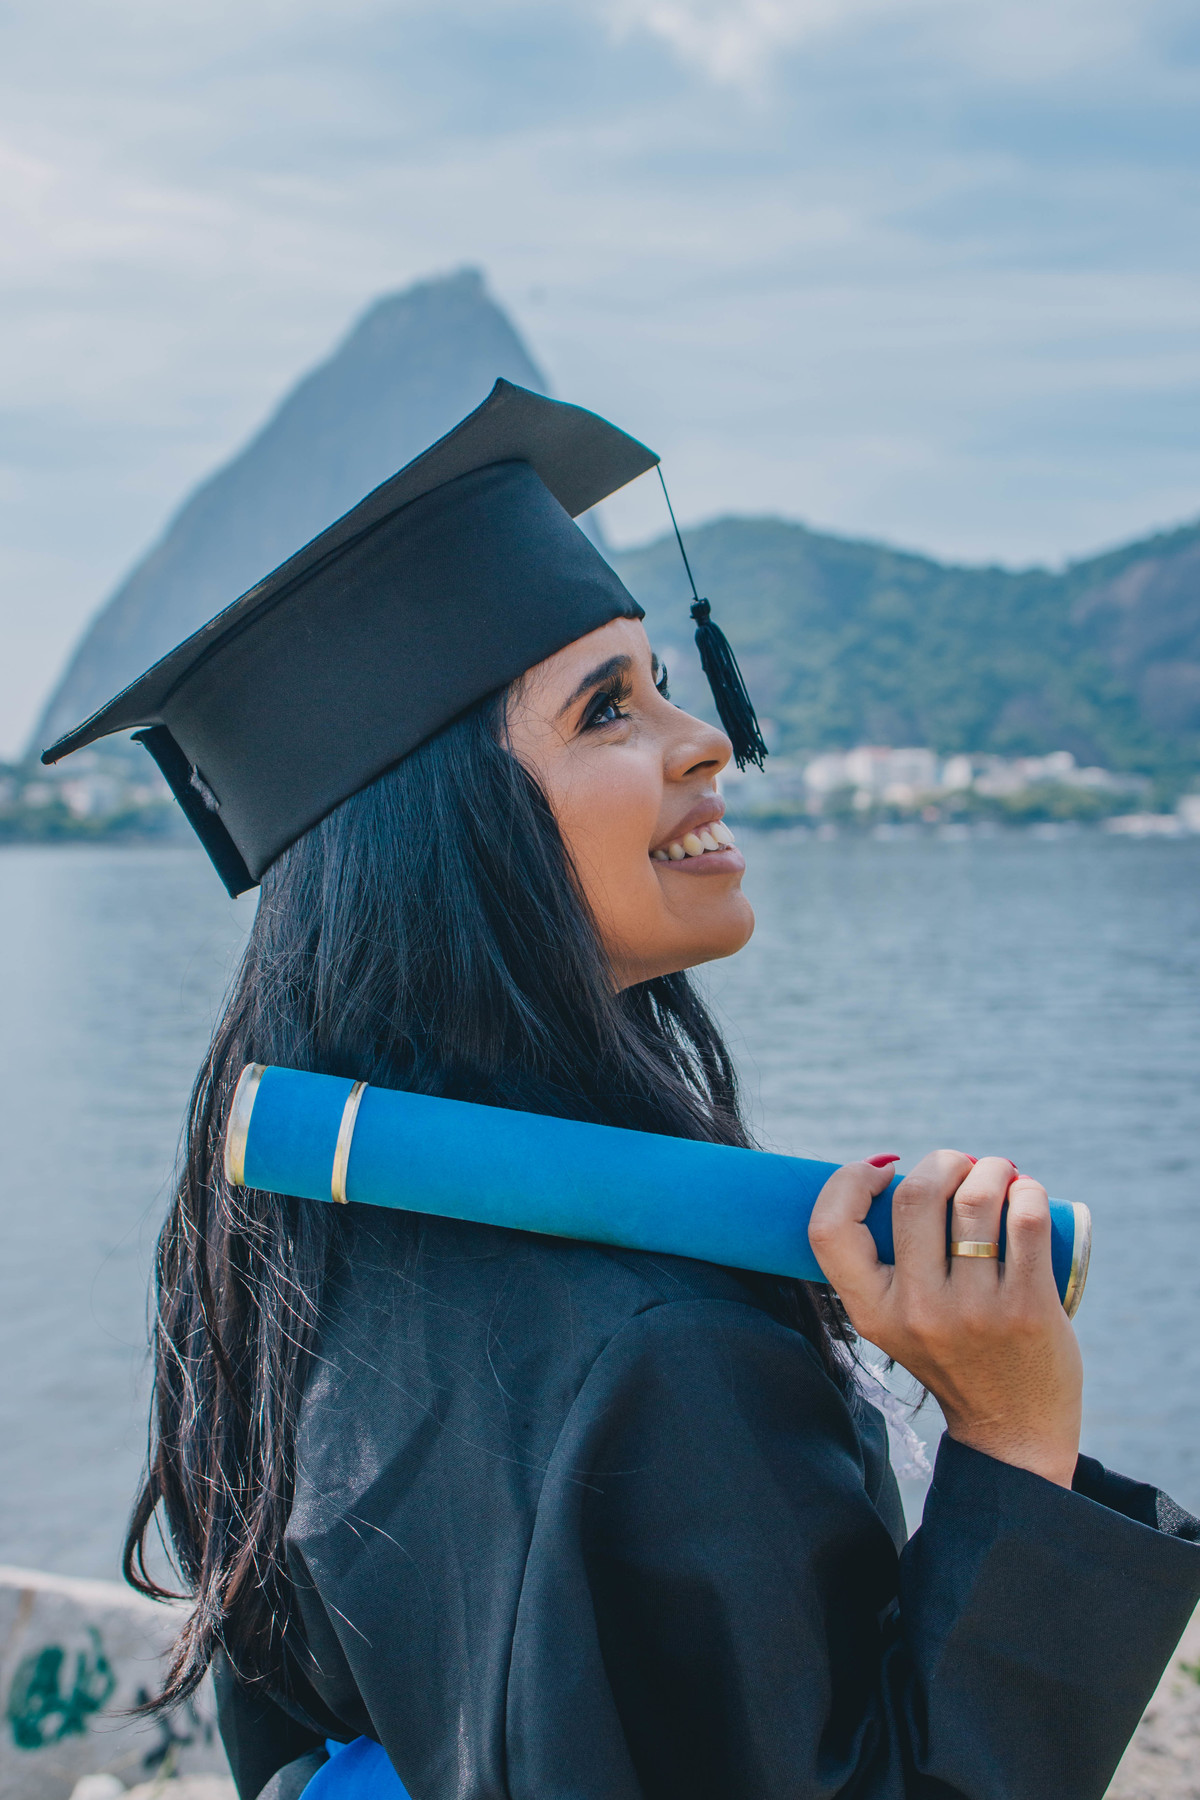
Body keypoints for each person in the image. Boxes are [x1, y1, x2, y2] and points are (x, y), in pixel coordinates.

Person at [46, 382, 1200, 1800]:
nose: (704, 735)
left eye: (663, 680)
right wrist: (1015, 1438)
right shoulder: (658, 1354)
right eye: (608, 708)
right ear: (452, 832)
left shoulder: (302, 1270)